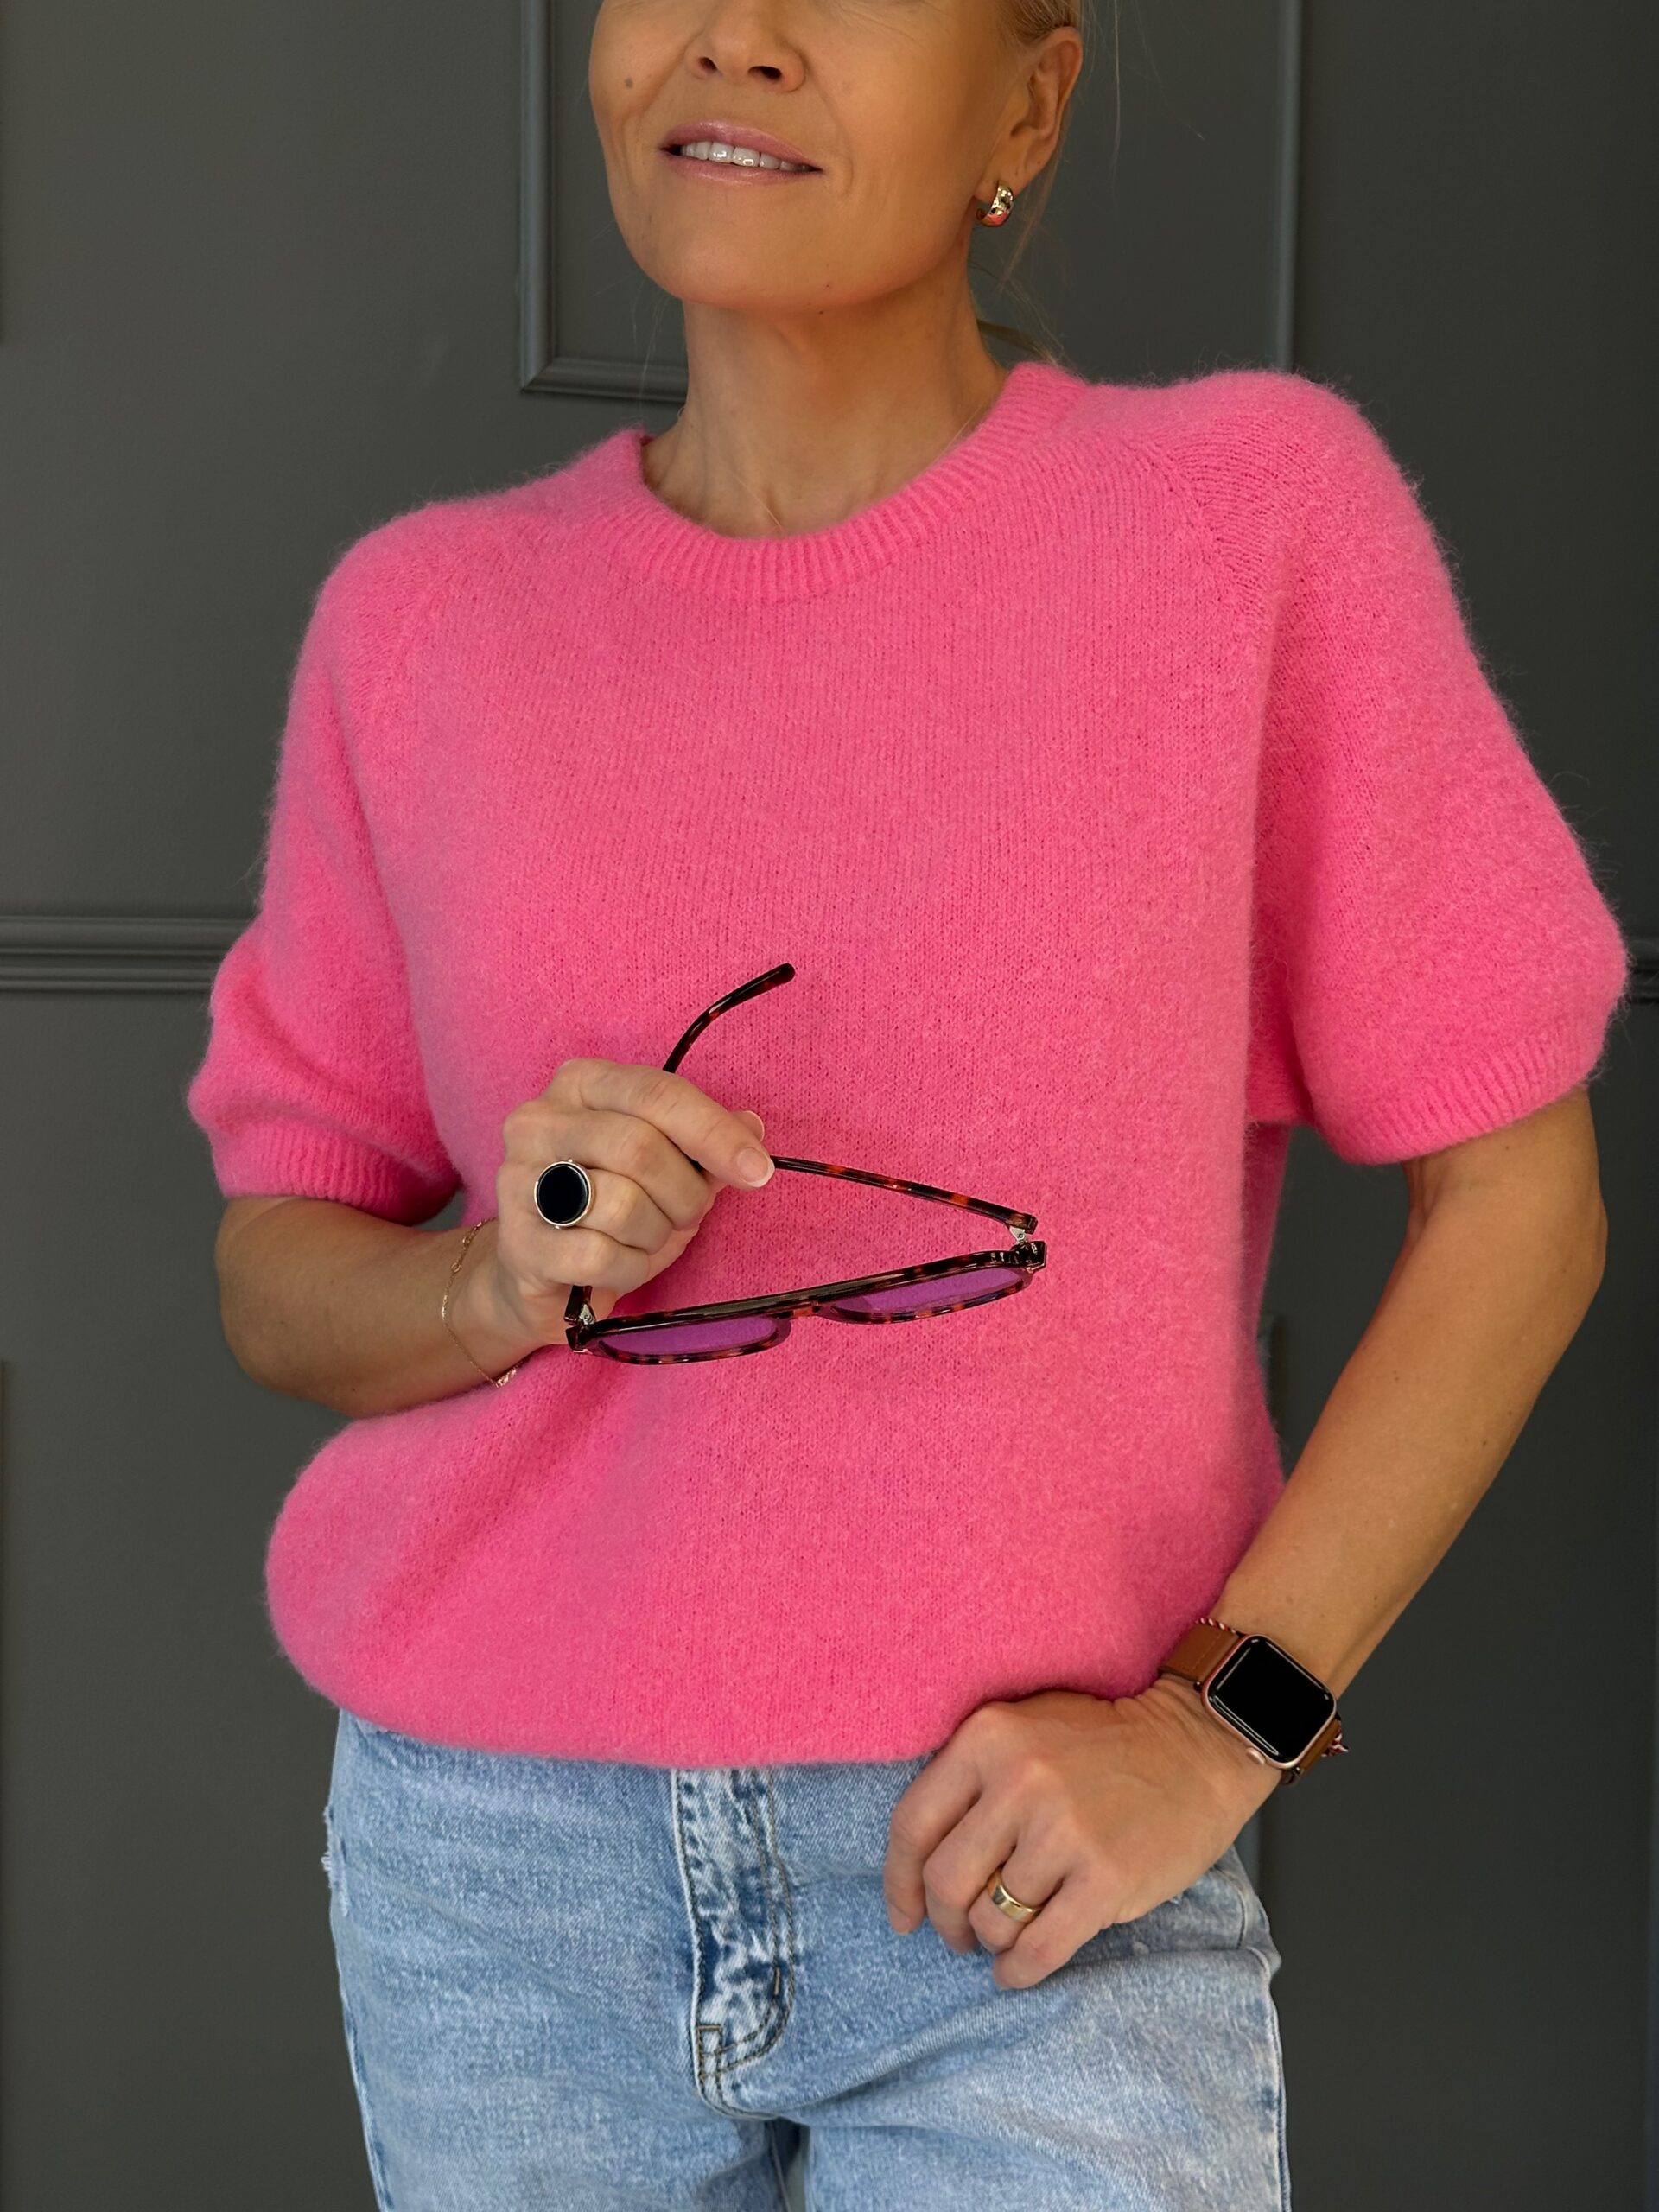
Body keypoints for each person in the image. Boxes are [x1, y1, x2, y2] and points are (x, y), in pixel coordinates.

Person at [185, 3, 1631, 2206]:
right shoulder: (420, 625)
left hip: (1027, 1890)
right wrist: (494, 1276)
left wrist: (1219, 1718)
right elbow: (282, 1276)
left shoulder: (1245, 528)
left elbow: (1524, 1204)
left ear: (1026, 100)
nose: (737, 40)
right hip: (497, 1878)